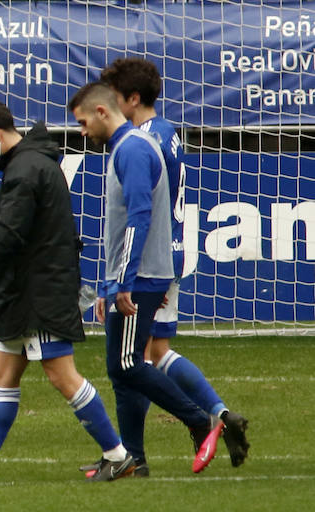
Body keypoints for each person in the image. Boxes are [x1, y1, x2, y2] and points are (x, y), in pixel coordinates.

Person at [0, 100, 133, 484]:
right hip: (26, 292)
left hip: (38, 292)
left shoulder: (25, 171)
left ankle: (118, 455)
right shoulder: (32, 163)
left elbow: (9, 235)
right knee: (3, 375)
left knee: (62, 376)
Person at [96, 57, 248, 471]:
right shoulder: (166, 131)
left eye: (114, 96)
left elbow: (143, 210)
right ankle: (219, 414)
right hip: (169, 251)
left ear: (132, 99)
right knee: (154, 352)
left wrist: (130, 275)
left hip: (153, 258)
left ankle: (139, 452)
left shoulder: (142, 141)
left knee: (132, 361)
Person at [69, 81, 221, 476]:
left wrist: (123, 281)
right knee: (122, 371)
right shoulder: (128, 146)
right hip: (133, 275)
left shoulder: (134, 149)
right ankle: (132, 459)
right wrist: (110, 284)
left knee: (127, 365)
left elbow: (139, 217)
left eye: (83, 123)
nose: (82, 132)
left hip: (140, 277)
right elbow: (124, 223)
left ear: (102, 112)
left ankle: (200, 420)